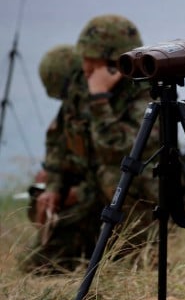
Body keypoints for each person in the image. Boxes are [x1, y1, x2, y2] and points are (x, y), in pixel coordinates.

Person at [21, 16, 159, 272]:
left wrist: (99, 99)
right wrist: (54, 187)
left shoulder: (146, 94)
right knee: (36, 264)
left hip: (129, 197)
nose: (83, 67)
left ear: (112, 62)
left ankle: (136, 253)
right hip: (92, 194)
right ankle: (87, 247)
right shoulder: (81, 88)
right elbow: (58, 141)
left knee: (111, 176)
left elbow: (118, 151)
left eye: (90, 60)